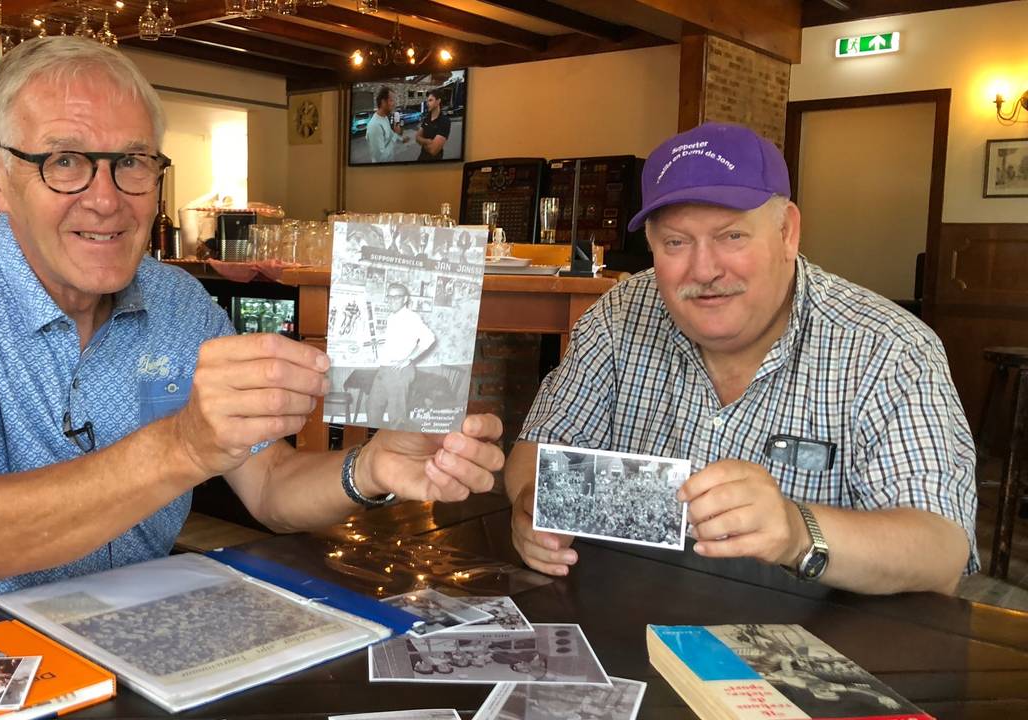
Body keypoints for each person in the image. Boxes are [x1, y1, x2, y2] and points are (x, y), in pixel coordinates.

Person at [0, 37, 504, 601]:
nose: (107, 201)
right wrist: (183, 445)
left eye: (131, 162)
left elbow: (269, 484)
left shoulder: (179, 304)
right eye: (65, 161)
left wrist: (372, 467)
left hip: (129, 648)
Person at [505, 121, 976, 595]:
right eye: (676, 242)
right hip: (630, 619)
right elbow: (538, 449)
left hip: (813, 641)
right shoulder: (619, 316)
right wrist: (531, 508)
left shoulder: (888, 349)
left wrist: (798, 532)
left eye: (731, 236)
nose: (705, 270)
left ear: (787, 232)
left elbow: (940, 549)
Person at [366, 283, 436, 429]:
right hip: (385, 370)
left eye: (396, 297)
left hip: (399, 372)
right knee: (373, 408)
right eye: (389, 296)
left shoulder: (411, 317)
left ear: (405, 299)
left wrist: (408, 359)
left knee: (396, 417)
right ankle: (374, 443)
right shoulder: (392, 317)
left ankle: (395, 448)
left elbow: (429, 338)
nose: (391, 300)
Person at [365, 86, 405, 163]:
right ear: (383, 102)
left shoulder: (385, 118)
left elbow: (389, 134)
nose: (394, 104)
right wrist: (396, 134)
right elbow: (381, 158)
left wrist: (401, 139)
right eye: (392, 100)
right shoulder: (375, 126)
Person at [414, 88, 450, 162]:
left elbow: (433, 150)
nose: (427, 103)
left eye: (430, 100)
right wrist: (428, 141)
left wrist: (422, 141)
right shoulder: (427, 118)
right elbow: (417, 137)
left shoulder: (444, 121)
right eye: (427, 101)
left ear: (438, 101)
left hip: (434, 164)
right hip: (421, 159)